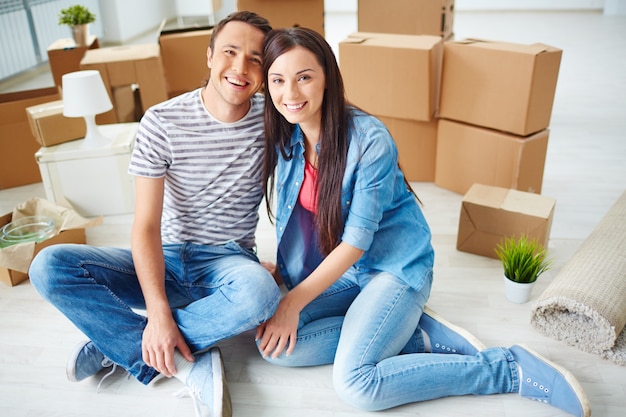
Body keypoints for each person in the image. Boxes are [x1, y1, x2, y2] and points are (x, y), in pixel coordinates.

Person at [255, 27, 591, 417]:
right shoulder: (289, 138)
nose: (290, 94)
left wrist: (294, 301)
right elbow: (304, 221)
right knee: (273, 347)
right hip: (348, 275)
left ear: (328, 76)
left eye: (304, 77)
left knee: (358, 385)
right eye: (278, 80)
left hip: (393, 269)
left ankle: (505, 370)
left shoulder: (368, 139)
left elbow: (356, 242)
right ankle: (410, 337)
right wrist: (283, 276)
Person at [29, 11, 280, 417]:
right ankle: (175, 354)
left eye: (255, 59)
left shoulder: (273, 119)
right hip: (165, 257)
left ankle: (119, 343)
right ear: (210, 55)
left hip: (228, 261)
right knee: (48, 265)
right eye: (230, 52)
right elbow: (145, 226)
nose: (240, 67)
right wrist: (158, 313)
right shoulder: (162, 121)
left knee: (260, 295)